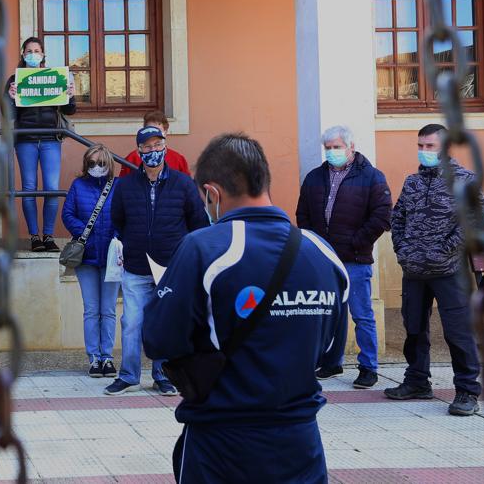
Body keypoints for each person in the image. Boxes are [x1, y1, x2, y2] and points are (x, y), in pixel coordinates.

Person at [144, 133, 349, 483]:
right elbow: (331, 356)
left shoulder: (203, 248)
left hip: (221, 444)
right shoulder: (323, 253)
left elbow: (159, 340)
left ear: (212, 194)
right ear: (263, 180)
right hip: (300, 445)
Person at [385, 123, 484, 417]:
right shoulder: (412, 182)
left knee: (458, 333)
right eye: (421, 146)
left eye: (430, 146)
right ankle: (417, 380)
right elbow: (398, 217)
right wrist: (403, 249)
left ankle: (467, 391)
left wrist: (444, 250)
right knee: (413, 328)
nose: (425, 151)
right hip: (414, 269)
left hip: (449, 270)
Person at [104, 125, 209, 396]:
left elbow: (197, 221)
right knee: (132, 323)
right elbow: (118, 220)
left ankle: (163, 375)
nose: (153, 151)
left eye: (157, 145)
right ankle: (128, 376)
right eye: (147, 147)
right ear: (139, 150)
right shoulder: (125, 185)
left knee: (166, 323)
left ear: (166, 145)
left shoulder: (184, 183)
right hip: (136, 266)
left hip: (171, 267)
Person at [296, 125, 392, 389]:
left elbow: (382, 216)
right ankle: (331, 361)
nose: (332, 152)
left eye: (337, 147)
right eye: (328, 148)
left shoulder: (372, 177)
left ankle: (368, 367)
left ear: (351, 147)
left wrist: (356, 242)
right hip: (323, 260)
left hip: (355, 260)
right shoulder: (315, 177)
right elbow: (302, 213)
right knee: (328, 313)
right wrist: (313, 245)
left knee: (361, 314)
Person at [6, 36, 77, 252]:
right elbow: (8, 113)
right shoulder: (14, 79)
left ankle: (48, 235)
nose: (33, 54)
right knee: (29, 189)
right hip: (25, 140)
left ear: (43, 54)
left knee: (51, 189)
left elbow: (69, 110)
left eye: (37, 50)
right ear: (23, 54)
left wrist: (70, 96)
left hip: (50, 139)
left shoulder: (54, 77)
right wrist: (10, 97)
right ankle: (34, 237)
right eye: (29, 50)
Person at [61, 144, 120, 378]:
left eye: (101, 163)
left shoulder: (118, 187)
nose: (97, 167)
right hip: (86, 257)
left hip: (111, 257)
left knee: (108, 310)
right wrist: (84, 232)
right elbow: (67, 214)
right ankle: (94, 358)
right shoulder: (78, 185)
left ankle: (107, 357)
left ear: (109, 164)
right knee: (91, 309)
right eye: (92, 163)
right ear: (87, 165)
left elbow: (124, 215)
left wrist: (116, 236)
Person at [119, 111, 190, 177]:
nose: (153, 134)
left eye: (157, 131)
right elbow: (122, 187)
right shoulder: (131, 159)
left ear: (165, 132)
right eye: (150, 131)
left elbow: (187, 186)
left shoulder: (178, 159)